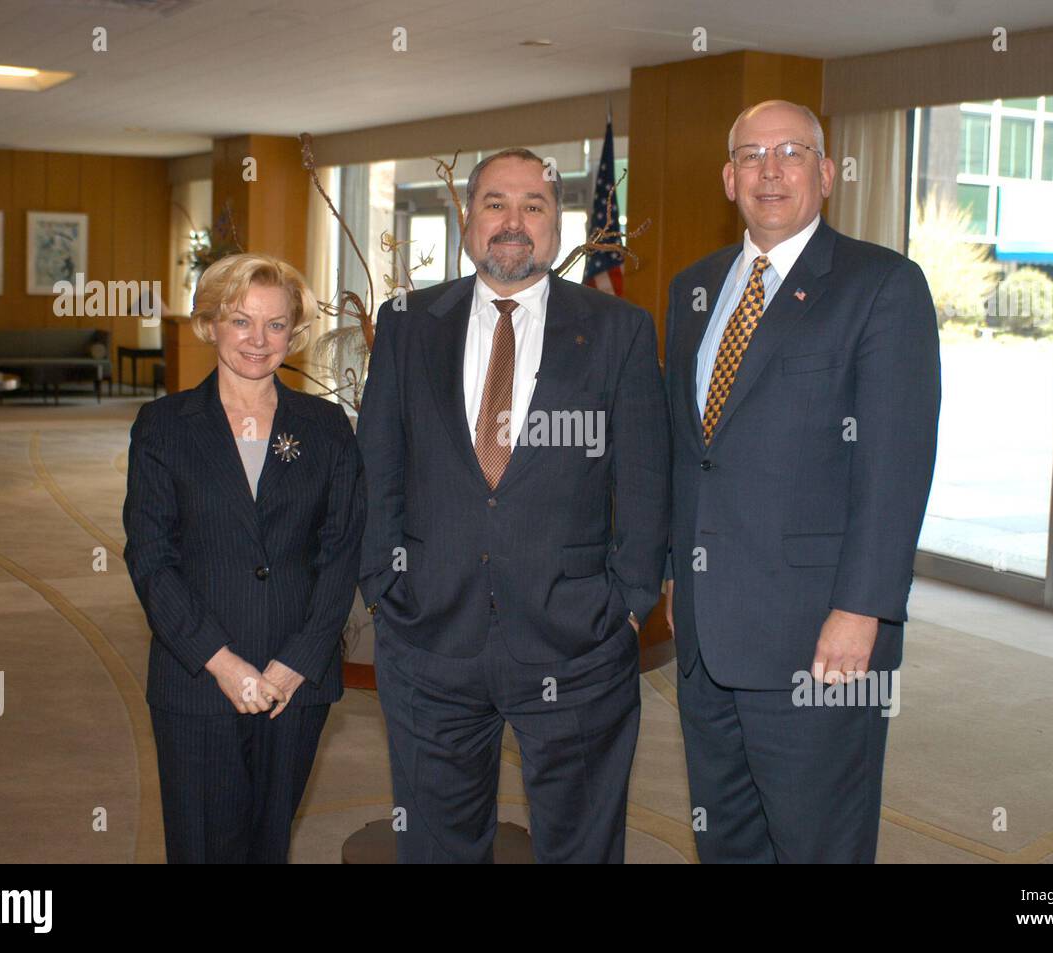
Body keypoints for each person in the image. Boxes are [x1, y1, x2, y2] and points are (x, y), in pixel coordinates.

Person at [357, 147, 670, 863]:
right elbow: (376, 467)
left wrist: (626, 604)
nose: (514, 222)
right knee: (437, 846)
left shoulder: (618, 329)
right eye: (496, 202)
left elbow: (648, 481)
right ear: (467, 219)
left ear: (555, 225)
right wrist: (383, 586)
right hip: (429, 635)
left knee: (582, 846)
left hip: (579, 641)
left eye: (534, 205)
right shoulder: (407, 322)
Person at [664, 100, 941, 863]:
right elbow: (691, 453)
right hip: (707, 638)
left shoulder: (882, 286)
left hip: (820, 637)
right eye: (751, 154)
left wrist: (863, 608)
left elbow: (897, 465)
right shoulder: (694, 290)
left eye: (792, 151)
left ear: (825, 171)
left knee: (818, 840)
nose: (770, 169)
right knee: (725, 840)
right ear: (728, 178)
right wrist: (675, 579)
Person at [123, 252, 366, 863]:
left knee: (268, 845)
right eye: (241, 321)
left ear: (295, 332)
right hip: (197, 679)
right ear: (209, 324)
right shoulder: (164, 425)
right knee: (203, 848)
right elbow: (151, 558)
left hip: (295, 679)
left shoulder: (326, 425)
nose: (258, 340)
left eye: (276, 324)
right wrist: (224, 663)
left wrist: (294, 664)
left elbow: (341, 554)